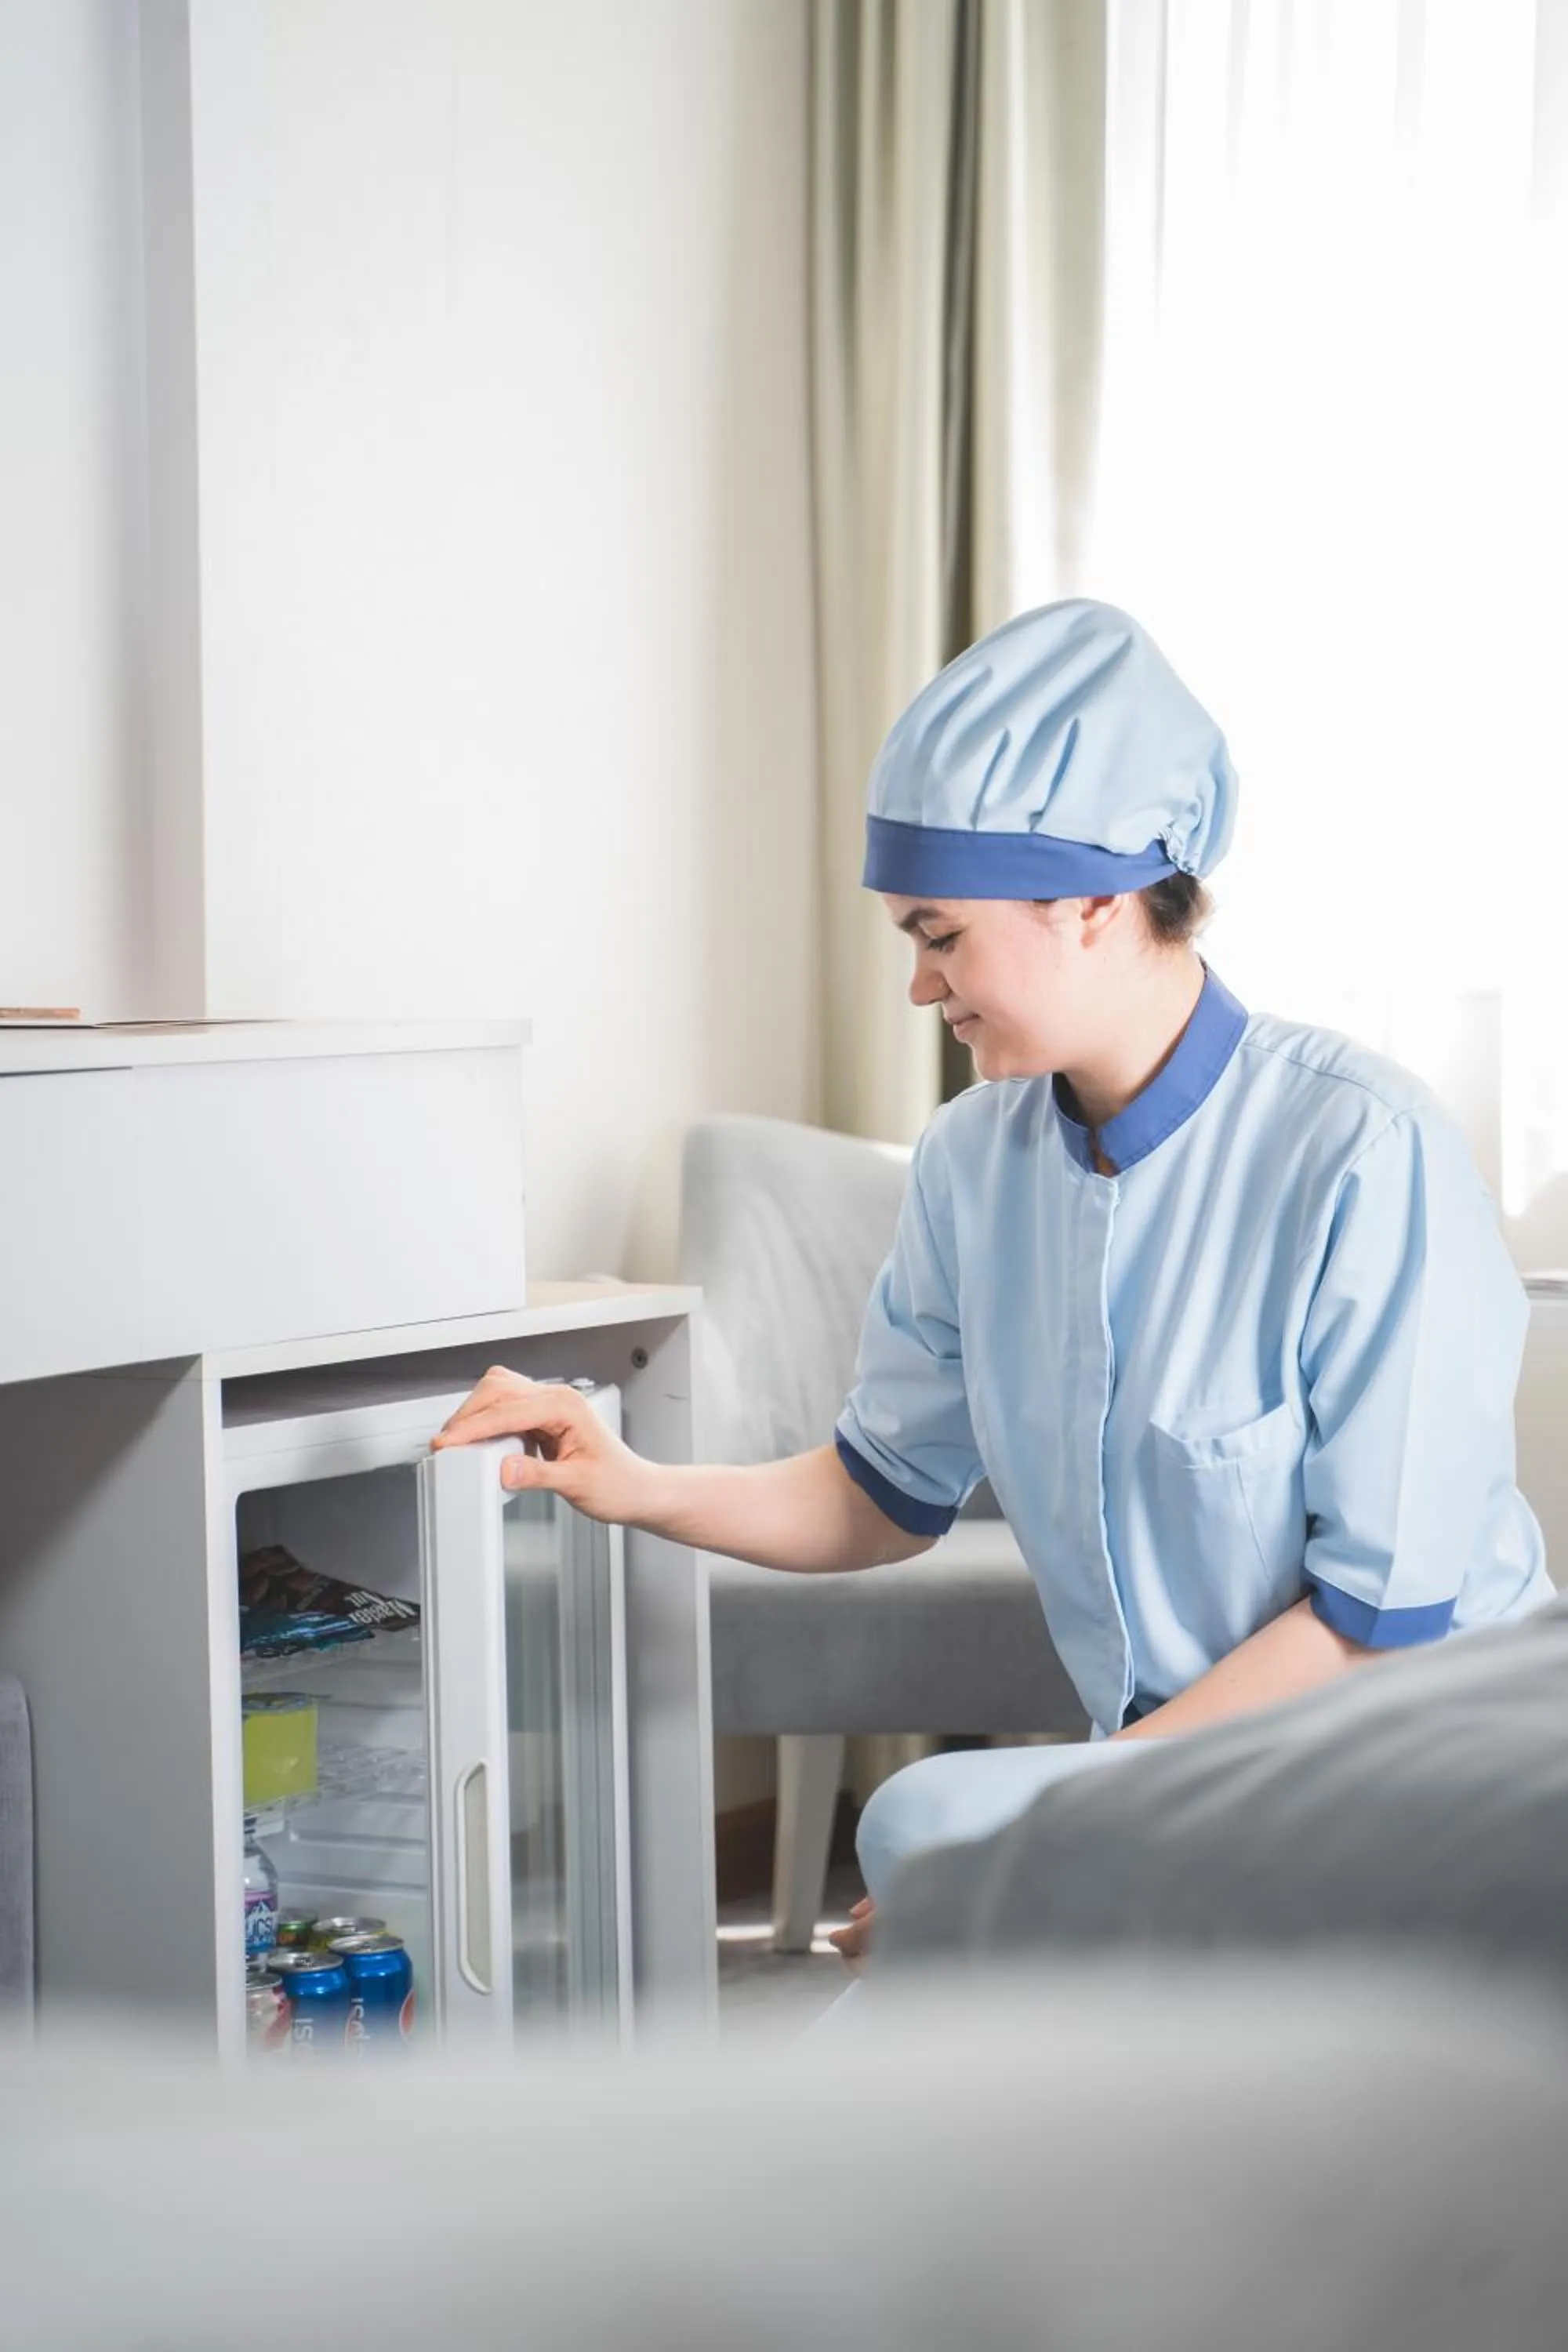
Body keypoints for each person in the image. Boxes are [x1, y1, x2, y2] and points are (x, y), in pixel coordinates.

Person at [434, 599, 1553, 1970]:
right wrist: (631, 1480)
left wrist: (1056, 1838)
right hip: (1184, 1777)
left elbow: (1378, 1624)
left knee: (930, 1834)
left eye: (941, 936)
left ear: (1089, 900)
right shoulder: (975, 1162)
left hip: (1420, 1767)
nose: (917, 986)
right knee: (929, 1858)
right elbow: (880, 1494)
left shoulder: (1366, 1149)